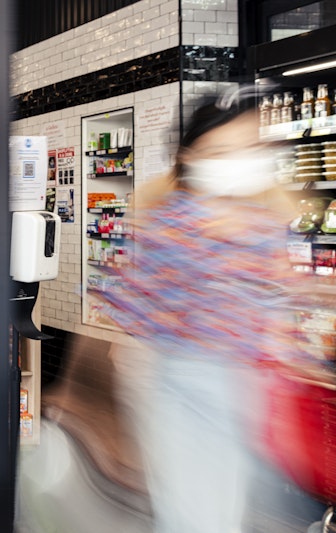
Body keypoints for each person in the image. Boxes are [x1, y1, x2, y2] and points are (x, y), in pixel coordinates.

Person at [102, 89, 331, 532]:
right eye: (222, 151)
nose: (239, 161)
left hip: (249, 386)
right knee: (197, 515)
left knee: (227, 509)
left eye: (249, 148)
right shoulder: (169, 223)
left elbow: (283, 291)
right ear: (191, 156)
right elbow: (129, 320)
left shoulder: (264, 221)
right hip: (183, 381)